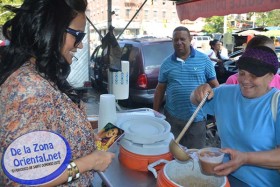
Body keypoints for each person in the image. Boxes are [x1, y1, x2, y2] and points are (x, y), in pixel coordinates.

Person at [0, 0, 115, 186]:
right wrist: (90, 162)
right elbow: (20, 180)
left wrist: (85, 139)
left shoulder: (39, 72)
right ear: (51, 29)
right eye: (78, 35)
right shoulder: (28, 88)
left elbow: (46, 140)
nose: (80, 45)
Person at [190, 45, 280, 186]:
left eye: (254, 75)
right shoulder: (225, 93)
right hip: (223, 178)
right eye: (242, 73)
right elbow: (195, 101)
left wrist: (245, 158)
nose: (245, 80)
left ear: (270, 77)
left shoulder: (277, 103)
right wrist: (198, 92)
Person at [153, 26, 219, 149]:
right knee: (171, 153)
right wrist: (155, 113)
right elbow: (160, 89)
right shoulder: (166, 63)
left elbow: (215, 87)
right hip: (172, 119)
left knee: (194, 156)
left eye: (182, 39)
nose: (179, 42)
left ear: (190, 39)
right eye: (175, 40)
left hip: (197, 120)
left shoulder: (204, 60)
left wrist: (217, 114)